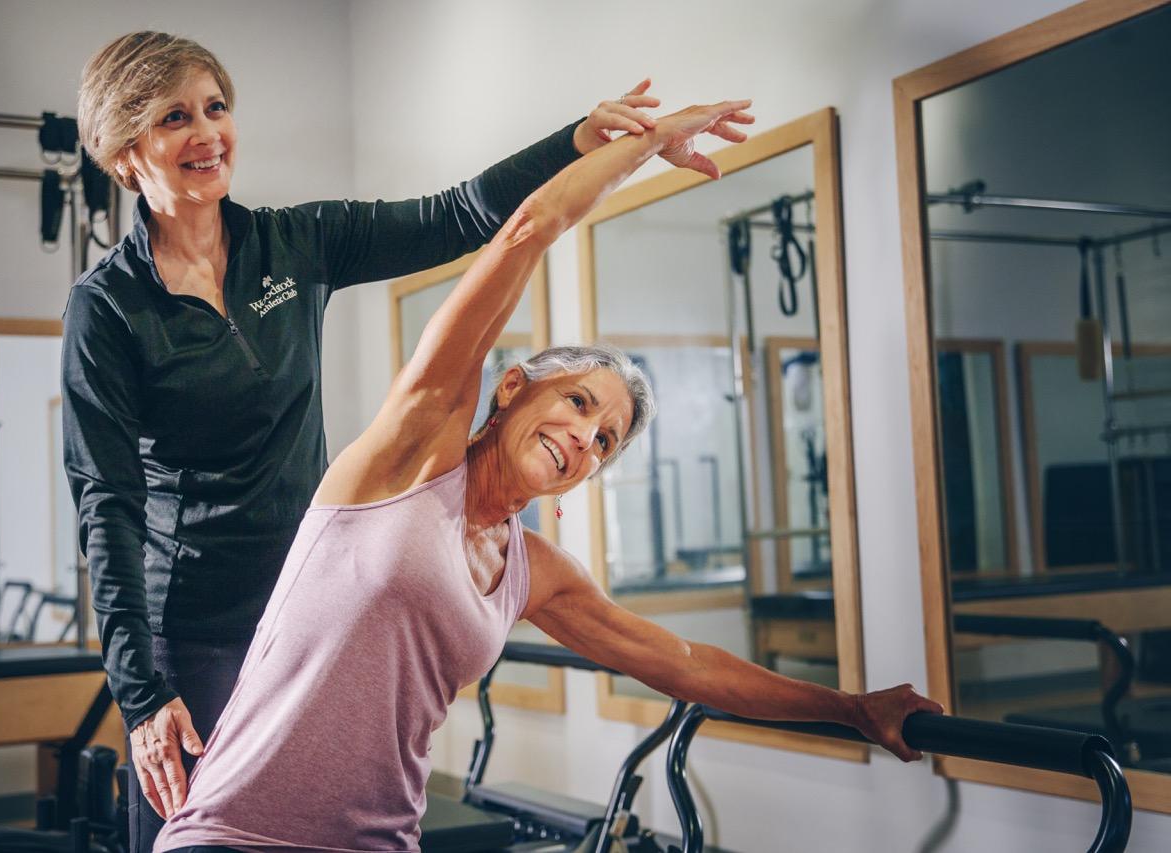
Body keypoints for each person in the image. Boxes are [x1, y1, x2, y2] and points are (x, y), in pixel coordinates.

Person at [153, 97, 942, 853]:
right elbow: (524, 231)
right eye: (577, 401)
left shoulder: (537, 575)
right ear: (510, 389)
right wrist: (644, 144)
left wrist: (851, 709)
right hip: (235, 830)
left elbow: (686, 664)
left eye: (605, 439)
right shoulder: (408, 456)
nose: (584, 437)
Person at [63, 30, 672, 853]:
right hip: (197, 624)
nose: (209, 134)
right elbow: (108, 502)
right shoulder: (107, 307)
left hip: (312, 612)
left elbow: (458, 214)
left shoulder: (293, 243)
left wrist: (574, 141)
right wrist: (140, 695)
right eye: (177, 117)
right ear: (126, 149)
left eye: (217, 107)